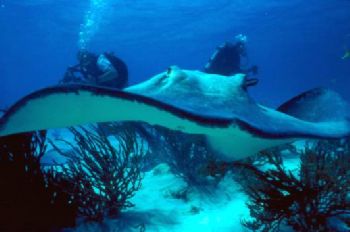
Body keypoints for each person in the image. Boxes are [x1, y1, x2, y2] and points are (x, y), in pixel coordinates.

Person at [61, 50, 128, 89]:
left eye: (86, 57)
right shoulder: (84, 67)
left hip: (120, 82)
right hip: (108, 86)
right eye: (82, 60)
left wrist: (96, 80)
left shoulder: (100, 60)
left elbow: (113, 73)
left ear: (90, 56)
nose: (85, 60)